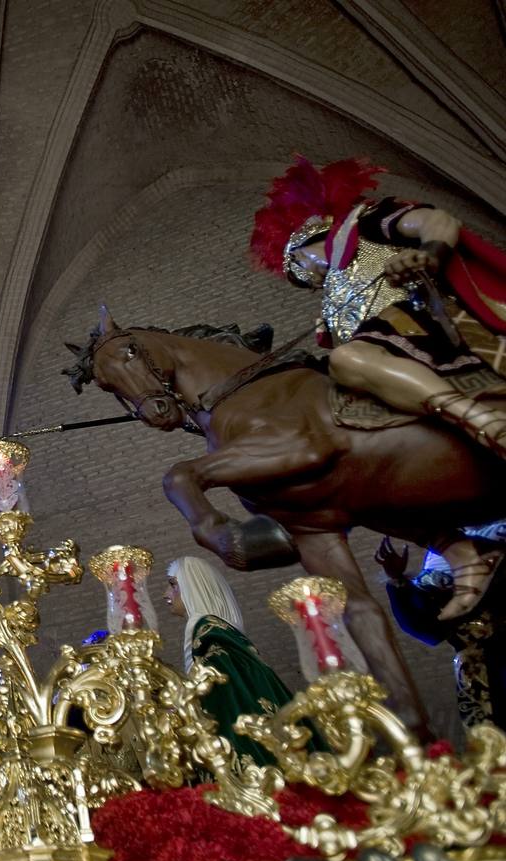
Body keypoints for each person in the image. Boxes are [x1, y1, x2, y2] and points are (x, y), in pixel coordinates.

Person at [251, 156, 506, 617]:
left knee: (349, 357)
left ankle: (488, 423)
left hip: (422, 328)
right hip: (386, 362)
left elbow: (437, 220)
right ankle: (459, 552)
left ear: (312, 238)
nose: (305, 278)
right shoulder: (329, 299)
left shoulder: (365, 223)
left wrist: (426, 253)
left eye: (300, 265)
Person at [163, 556, 306, 767]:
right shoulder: (220, 629)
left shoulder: (204, 626)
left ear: (192, 586)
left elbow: (213, 687)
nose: (165, 594)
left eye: (173, 585)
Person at [377, 525, 506, 730]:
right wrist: (397, 579)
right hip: (478, 671)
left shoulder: (497, 527)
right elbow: (427, 630)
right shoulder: (439, 550)